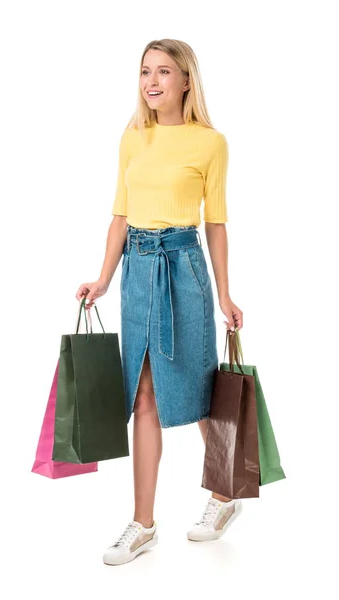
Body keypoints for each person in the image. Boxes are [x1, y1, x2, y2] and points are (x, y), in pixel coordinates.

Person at [76, 38, 244, 566]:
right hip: (137, 272)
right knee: (142, 393)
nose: (152, 81)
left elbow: (214, 223)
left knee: (198, 388)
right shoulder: (133, 138)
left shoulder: (210, 142)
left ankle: (225, 492)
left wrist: (225, 292)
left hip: (184, 266)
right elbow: (121, 216)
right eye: (146, 71)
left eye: (165, 72)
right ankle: (143, 523)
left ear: (186, 81)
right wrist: (103, 278)